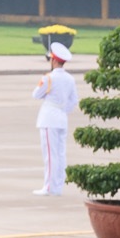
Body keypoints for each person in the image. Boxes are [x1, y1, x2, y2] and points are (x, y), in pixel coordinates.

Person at [33, 42, 79, 195]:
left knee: (50, 155)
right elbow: (73, 101)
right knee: (60, 153)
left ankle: (49, 187)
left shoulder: (48, 78)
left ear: (54, 61)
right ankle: (58, 186)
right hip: (61, 118)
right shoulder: (70, 79)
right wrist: (62, 110)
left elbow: (36, 94)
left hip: (49, 118)